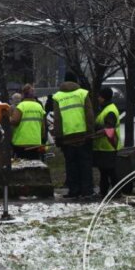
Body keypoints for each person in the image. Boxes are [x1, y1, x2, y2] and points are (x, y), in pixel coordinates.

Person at [51, 71, 96, 199]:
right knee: (85, 163)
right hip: (83, 136)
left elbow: (57, 119)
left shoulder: (57, 97)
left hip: (67, 138)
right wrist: (90, 131)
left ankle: (74, 190)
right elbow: (89, 114)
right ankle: (87, 190)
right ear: (75, 81)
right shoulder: (82, 93)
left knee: (71, 165)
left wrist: (58, 137)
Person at [93, 86, 124, 196]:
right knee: (104, 172)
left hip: (109, 146)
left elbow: (108, 129)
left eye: (99, 96)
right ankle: (104, 192)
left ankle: (116, 192)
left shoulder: (110, 111)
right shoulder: (106, 109)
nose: (98, 98)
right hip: (104, 146)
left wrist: (94, 135)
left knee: (110, 171)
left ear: (103, 97)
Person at [11, 84, 46, 160]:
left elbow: (15, 121)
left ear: (23, 94)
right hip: (35, 142)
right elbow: (43, 127)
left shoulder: (21, 106)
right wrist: (42, 138)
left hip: (21, 143)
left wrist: (7, 118)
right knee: (34, 165)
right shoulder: (39, 107)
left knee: (22, 166)